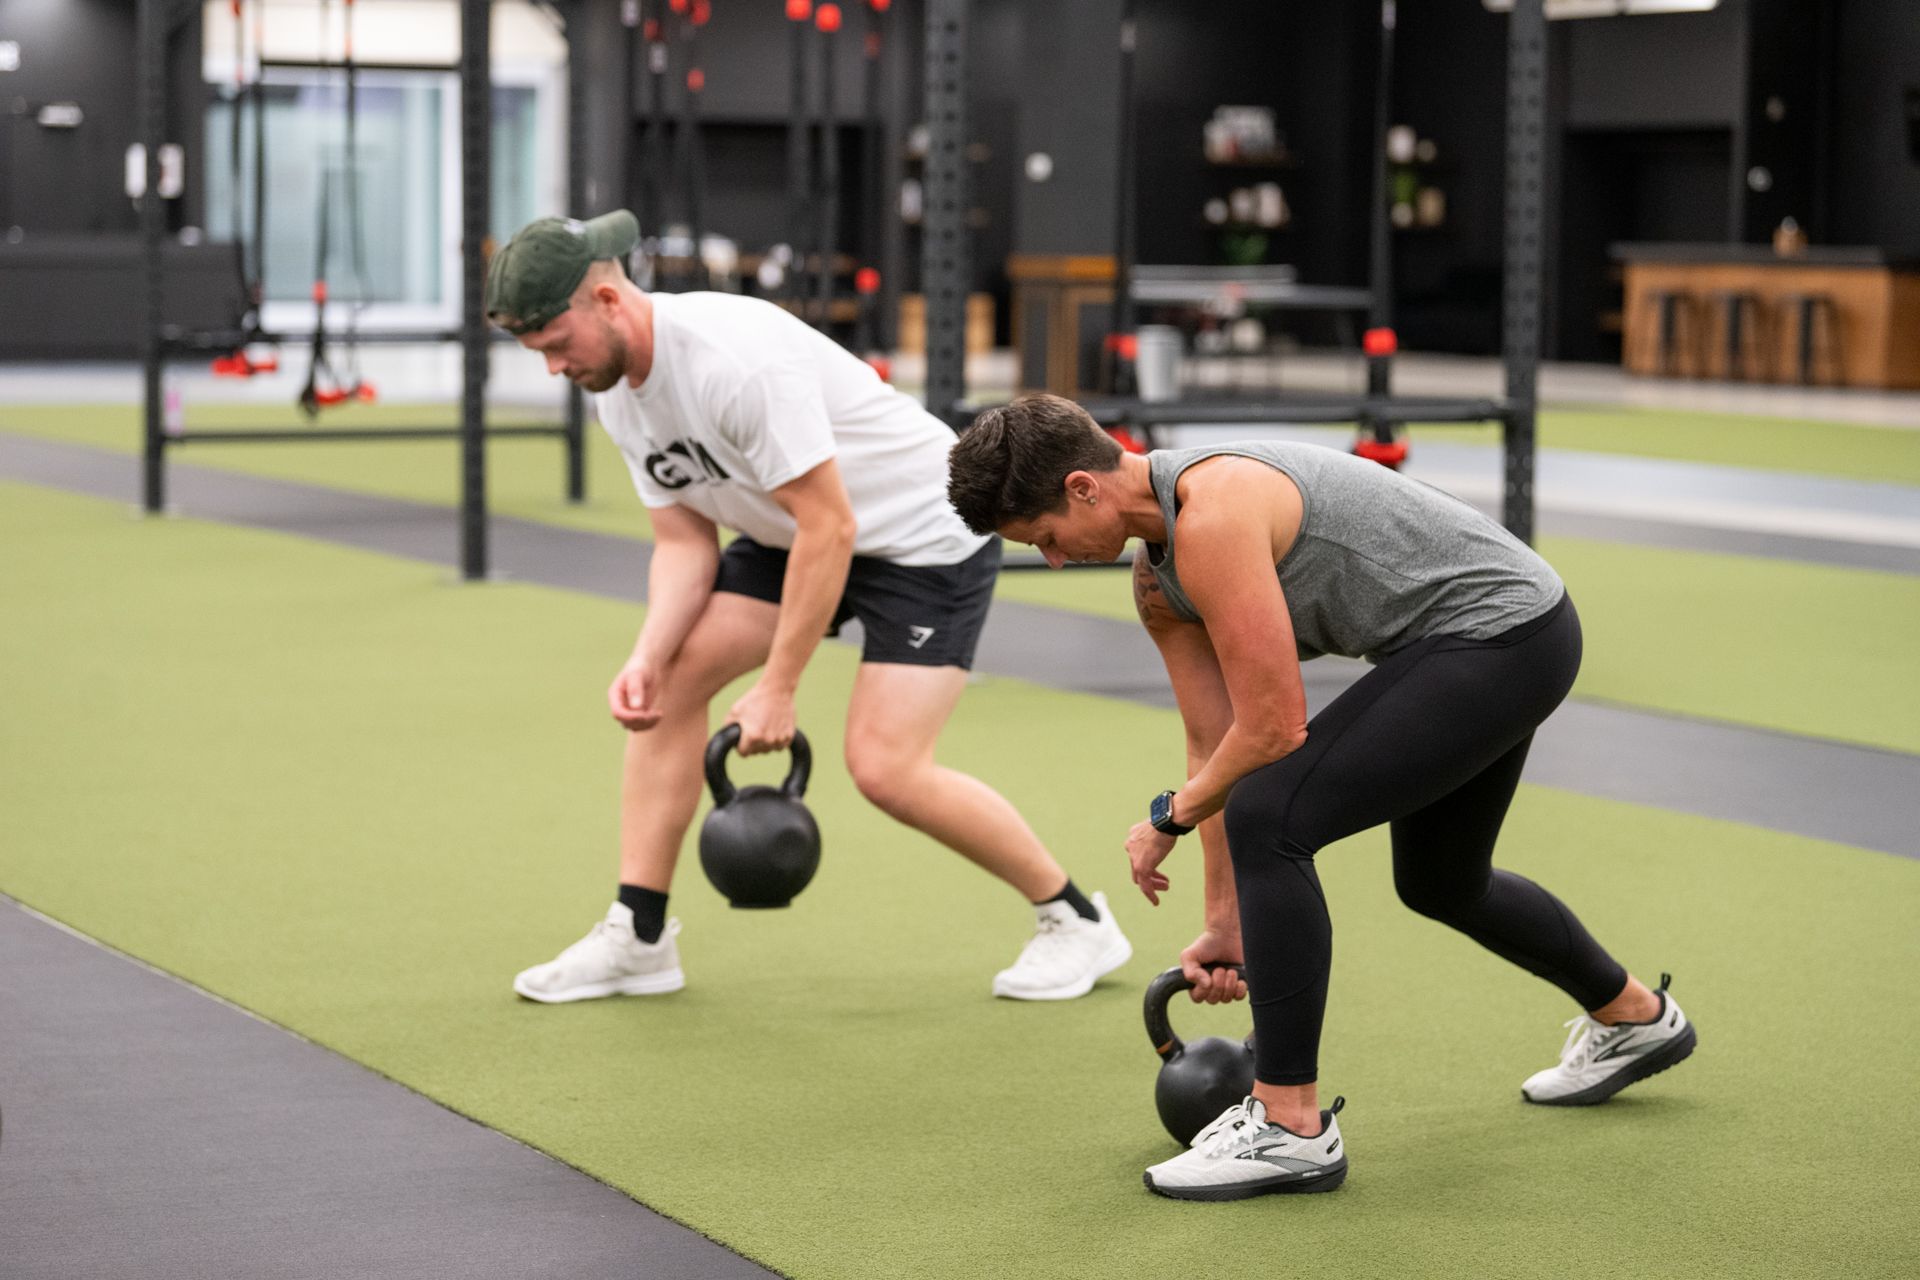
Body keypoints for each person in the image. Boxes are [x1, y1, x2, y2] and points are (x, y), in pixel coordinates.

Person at [947, 394, 1696, 1200]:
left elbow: (1272, 730)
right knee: (1441, 880)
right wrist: (1224, 924)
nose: (1055, 561)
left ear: (1083, 488)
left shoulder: (1216, 511)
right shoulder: (1160, 584)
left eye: (1047, 539)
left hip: (1504, 632)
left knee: (1274, 812)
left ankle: (1288, 1125)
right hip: (1471, 644)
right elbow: (1216, 743)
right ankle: (1632, 1017)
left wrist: (1170, 814)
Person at [484, 213, 1130, 1005]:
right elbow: (684, 544)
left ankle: (1075, 920)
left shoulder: (731, 361)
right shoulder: (615, 391)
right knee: (671, 690)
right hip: (791, 528)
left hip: (920, 537)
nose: (553, 367)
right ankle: (638, 937)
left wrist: (779, 686)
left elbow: (833, 524)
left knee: (886, 768)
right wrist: (648, 656)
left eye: (555, 343)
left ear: (609, 300)